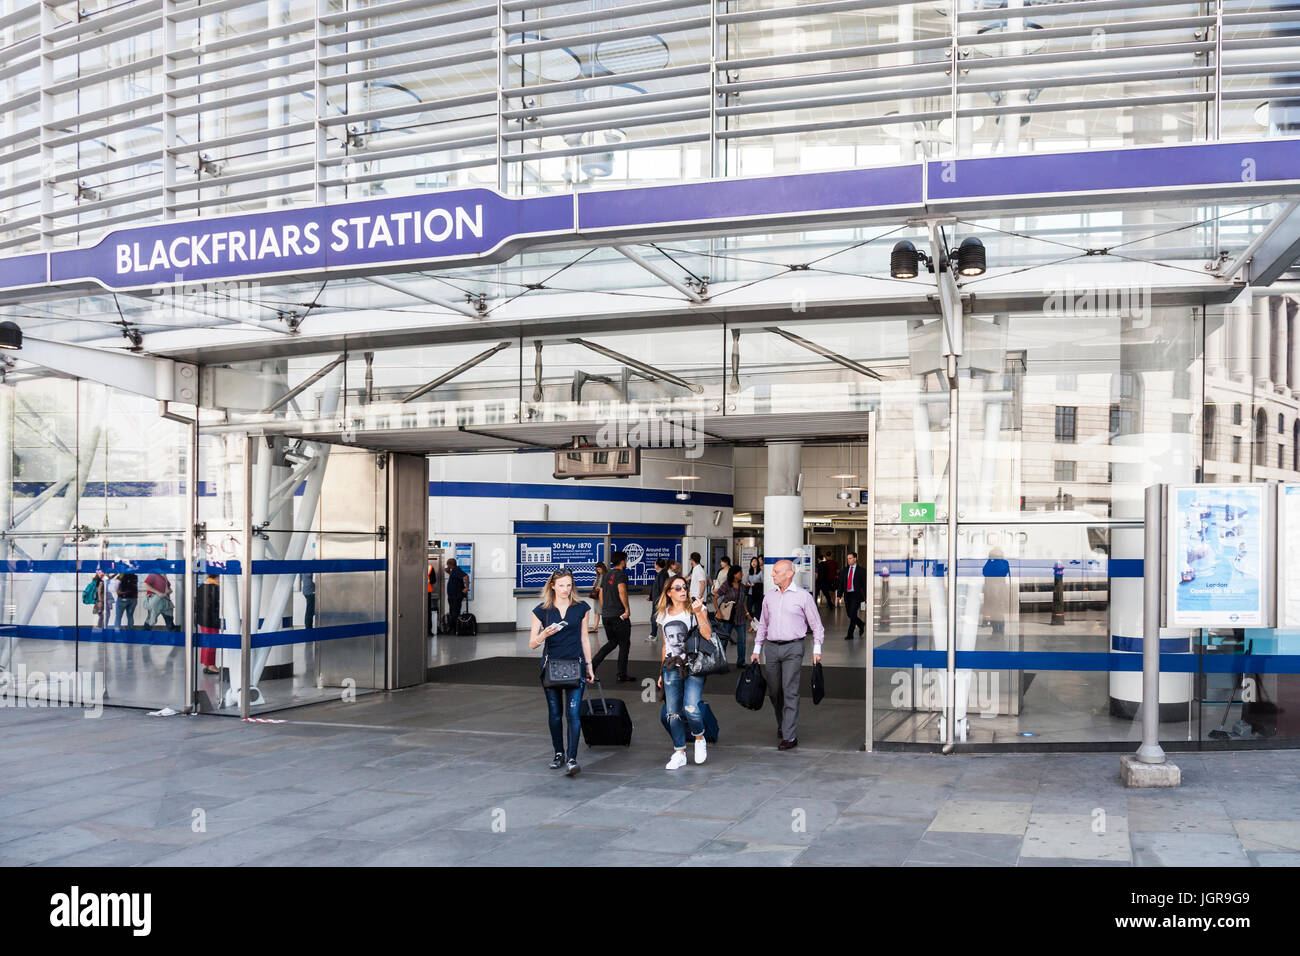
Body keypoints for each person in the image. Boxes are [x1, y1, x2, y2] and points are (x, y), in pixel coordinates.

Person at [751, 558, 824, 751]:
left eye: (776, 572)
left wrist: (817, 649)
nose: (772, 575)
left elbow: (816, 625)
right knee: (775, 691)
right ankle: (783, 724)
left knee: (790, 690)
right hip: (771, 648)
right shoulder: (769, 597)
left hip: (794, 648)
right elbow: (763, 625)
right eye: (773, 572)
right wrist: (757, 649)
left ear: (789, 573)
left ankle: (790, 736)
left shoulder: (803, 597)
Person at [529, 569, 594, 776]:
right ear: (553, 586)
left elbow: (585, 638)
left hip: (576, 665)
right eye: (562, 585)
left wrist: (589, 666)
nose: (565, 589)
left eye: (569, 585)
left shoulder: (582, 608)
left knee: (573, 714)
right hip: (552, 667)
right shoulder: (542, 610)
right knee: (555, 715)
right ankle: (559, 753)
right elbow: (532, 643)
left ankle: (572, 757)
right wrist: (544, 634)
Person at [656, 573, 712, 770]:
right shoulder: (663, 614)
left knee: (691, 707)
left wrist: (699, 613)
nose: (683, 591)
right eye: (678, 588)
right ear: (669, 592)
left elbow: (707, 634)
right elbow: (665, 646)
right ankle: (679, 751)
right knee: (672, 713)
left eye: (684, 587)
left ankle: (699, 737)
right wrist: (661, 672)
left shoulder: (695, 608)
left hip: (694, 664)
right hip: (671, 666)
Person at [591, 551, 635, 682]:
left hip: (607, 615)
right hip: (619, 616)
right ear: (622, 561)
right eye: (625, 560)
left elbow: (601, 594)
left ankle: (592, 666)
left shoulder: (607, 574)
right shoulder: (621, 575)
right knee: (624, 644)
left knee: (612, 642)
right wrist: (627, 609)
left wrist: (605, 609)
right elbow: (622, 592)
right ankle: (621, 674)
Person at [714, 564, 749, 668]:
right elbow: (715, 598)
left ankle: (741, 662)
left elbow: (743, 602)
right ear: (734, 574)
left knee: (742, 641)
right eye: (740, 572)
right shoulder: (726, 585)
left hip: (740, 617)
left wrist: (747, 613)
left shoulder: (742, 586)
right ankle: (721, 662)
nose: (742, 574)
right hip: (728, 617)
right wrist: (718, 612)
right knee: (724, 641)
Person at [982, 547, 1011, 639]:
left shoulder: (995, 563)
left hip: (996, 591)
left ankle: (998, 632)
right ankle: (997, 632)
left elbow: (985, 572)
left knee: (997, 613)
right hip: (995, 591)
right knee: (996, 613)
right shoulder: (1002, 563)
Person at [196, 572, 221, 674]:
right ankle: (211, 666)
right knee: (212, 642)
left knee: (206, 641)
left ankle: (206, 664)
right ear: (217, 576)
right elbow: (215, 605)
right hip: (211, 619)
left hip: (202, 619)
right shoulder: (214, 587)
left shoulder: (202, 586)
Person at [840, 551, 866, 640]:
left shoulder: (861, 570)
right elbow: (842, 583)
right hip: (848, 595)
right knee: (849, 614)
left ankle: (850, 634)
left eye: (850, 558)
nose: (848, 560)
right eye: (848, 558)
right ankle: (861, 624)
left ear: (855, 559)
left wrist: (866, 597)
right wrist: (839, 595)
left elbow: (864, 584)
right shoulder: (845, 570)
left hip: (856, 595)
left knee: (853, 613)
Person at [647, 558, 668, 643]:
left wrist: (660, 600)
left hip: (659, 600)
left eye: (655, 563)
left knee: (654, 617)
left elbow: (662, 589)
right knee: (655, 617)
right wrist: (651, 596)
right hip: (657, 599)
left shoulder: (662, 574)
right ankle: (653, 634)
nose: (654, 565)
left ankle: (653, 635)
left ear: (658, 565)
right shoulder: (660, 574)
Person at [445, 558, 467, 627]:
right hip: (453, 596)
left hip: (456, 596)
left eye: (447, 564)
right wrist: (449, 572)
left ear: (449, 564)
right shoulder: (454, 571)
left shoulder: (457, 569)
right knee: (453, 611)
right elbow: (455, 577)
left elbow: (466, 576)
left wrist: (466, 588)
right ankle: (454, 627)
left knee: (455, 612)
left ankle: (456, 628)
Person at [743, 556, 764, 624]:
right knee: (748, 608)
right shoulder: (749, 572)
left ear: (757, 563)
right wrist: (748, 584)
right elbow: (746, 581)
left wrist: (755, 584)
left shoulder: (761, 572)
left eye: (755, 561)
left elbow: (763, 582)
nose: (753, 563)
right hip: (750, 593)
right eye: (752, 561)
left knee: (757, 610)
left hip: (758, 593)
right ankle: (752, 623)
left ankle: (756, 625)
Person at [587, 562, 606, 633]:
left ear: (603, 568)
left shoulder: (606, 575)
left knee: (603, 611)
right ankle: (595, 627)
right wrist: (595, 584)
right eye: (597, 570)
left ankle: (597, 627)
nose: (598, 571)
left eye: (599, 569)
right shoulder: (599, 575)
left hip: (602, 595)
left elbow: (606, 586)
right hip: (597, 595)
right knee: (596, 612)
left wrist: (600, 587)